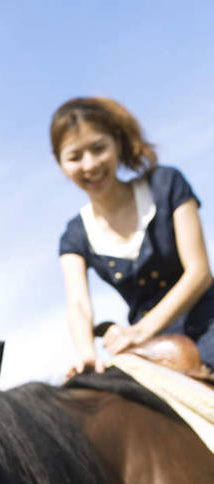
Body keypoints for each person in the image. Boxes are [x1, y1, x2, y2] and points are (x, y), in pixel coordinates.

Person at [51, 96, 214, 374]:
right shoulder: (74, 235)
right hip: (148, 348)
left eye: (98, 148)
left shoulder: (166, 183)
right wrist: (87, 353)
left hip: (207, 319)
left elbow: (199, 271)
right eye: (75, 157)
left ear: (116, 143)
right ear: (60, 163)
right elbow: (78, 303)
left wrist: (140, 331)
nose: (89, 165)